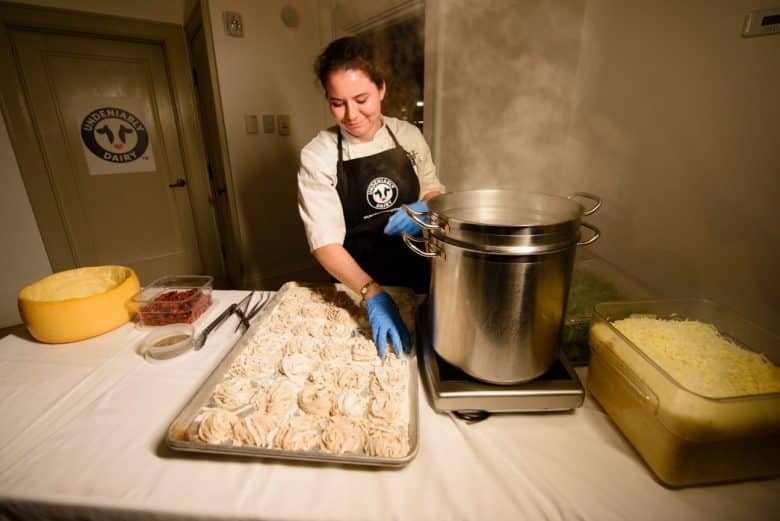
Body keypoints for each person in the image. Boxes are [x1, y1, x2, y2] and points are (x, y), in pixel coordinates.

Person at [297, 36, 444, 358]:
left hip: (417, 273)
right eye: (338, 103)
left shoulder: (408, 135)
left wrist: (426, 207)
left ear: (381, 89)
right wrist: (371, 294)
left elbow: (433, 189)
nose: (351, 114)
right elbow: (324, 242)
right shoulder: (318, 154)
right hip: (355, 280)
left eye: (361, 98)